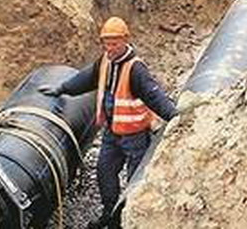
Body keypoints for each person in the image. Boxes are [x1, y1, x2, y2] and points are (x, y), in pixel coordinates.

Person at [40, 17, 177, 229]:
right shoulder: (104, 62)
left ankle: (129, 218)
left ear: (125, 41)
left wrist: (174, 115)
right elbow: (85, 79)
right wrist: (62, 89)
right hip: (112, 132)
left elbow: (154, 96)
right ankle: (109, 213)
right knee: (104, 171)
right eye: (107, 43)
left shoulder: (135, 69)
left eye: (115, 43)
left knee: (136, 179)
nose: (110, 48)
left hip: (135, 135)